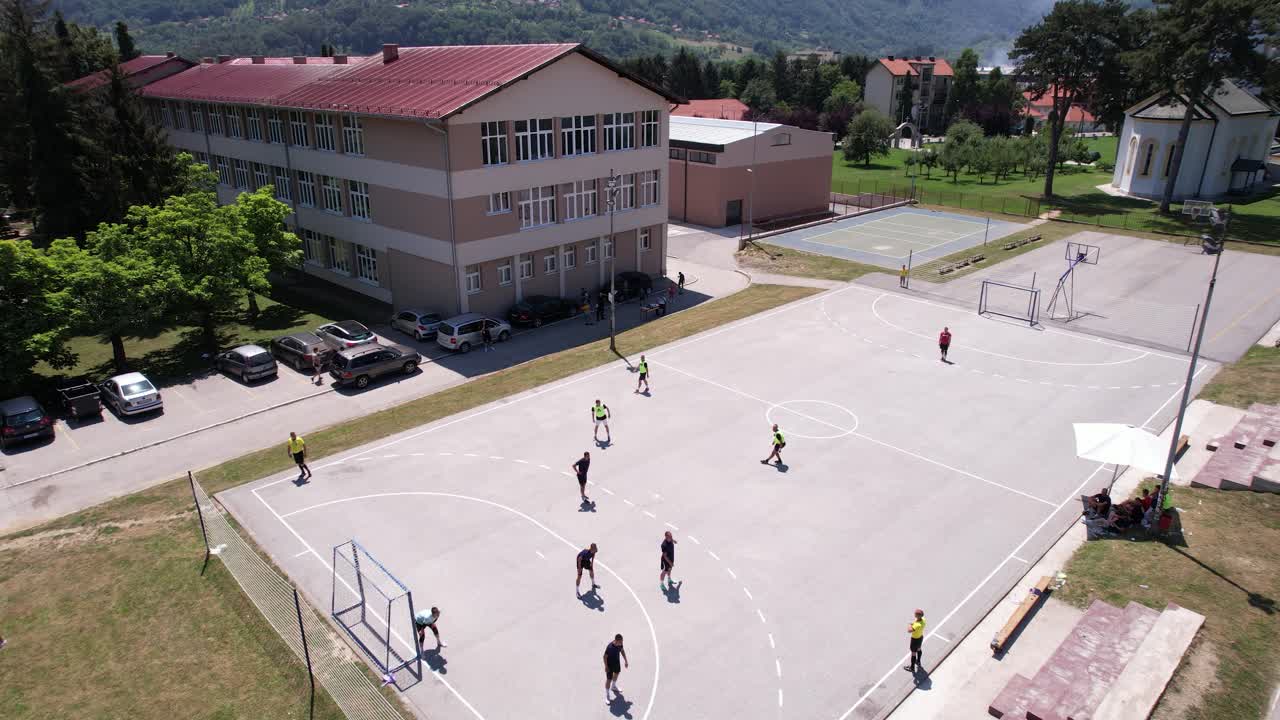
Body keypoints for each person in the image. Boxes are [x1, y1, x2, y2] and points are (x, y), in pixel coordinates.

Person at [604, 634, 629, 700]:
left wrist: (626, 660)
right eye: (621, 641)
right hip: (609, 665)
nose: (622, 643)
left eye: (622, 641)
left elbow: (622, 651)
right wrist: (606, 666)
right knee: (609, 680)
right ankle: (607, 695)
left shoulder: (620, 645)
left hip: (616, 663)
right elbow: (604, 657)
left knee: (617, 673)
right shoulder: (610, 647)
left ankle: (613, 686)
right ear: (616, 641)